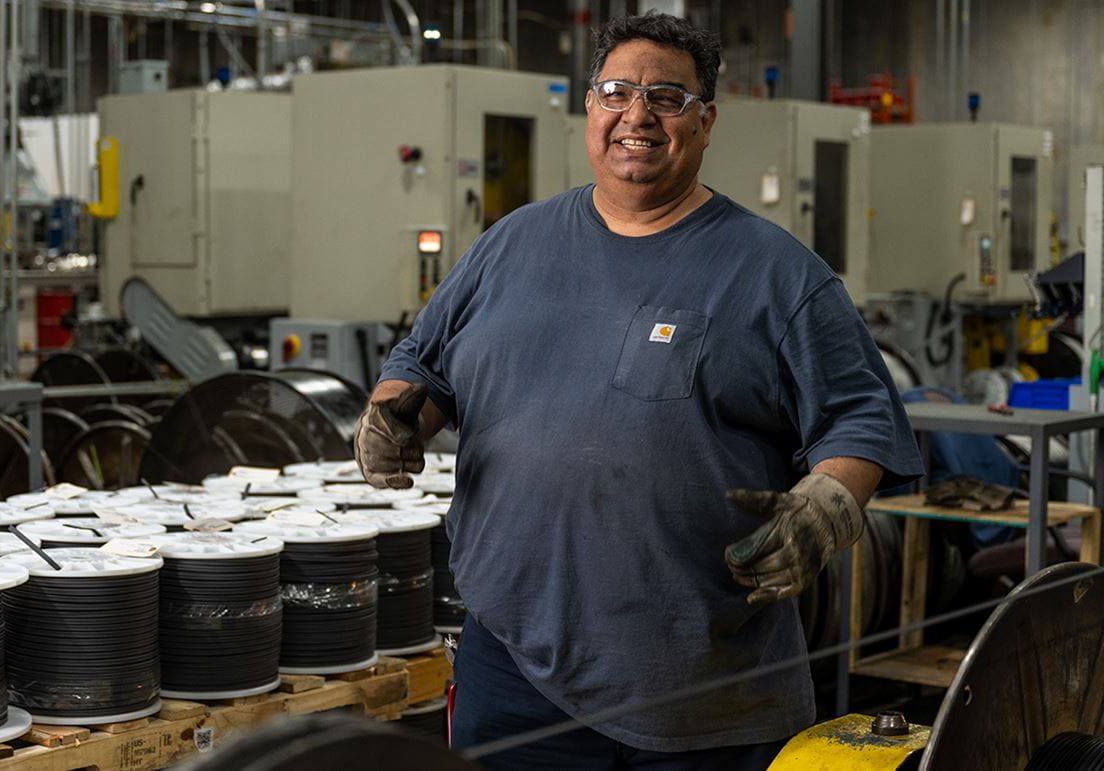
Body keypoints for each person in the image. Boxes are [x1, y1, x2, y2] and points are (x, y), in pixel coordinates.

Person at [354, 12, 922, 770]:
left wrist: (829, 504)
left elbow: (860, 419)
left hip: (697, 689)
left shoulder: (776, 273)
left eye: (666, 97)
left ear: (706, 120)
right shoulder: (509, 245)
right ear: (589, 108)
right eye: (617, 91)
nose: (638, 115)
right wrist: (391, 417)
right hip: (511, 664)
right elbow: (422, 366)